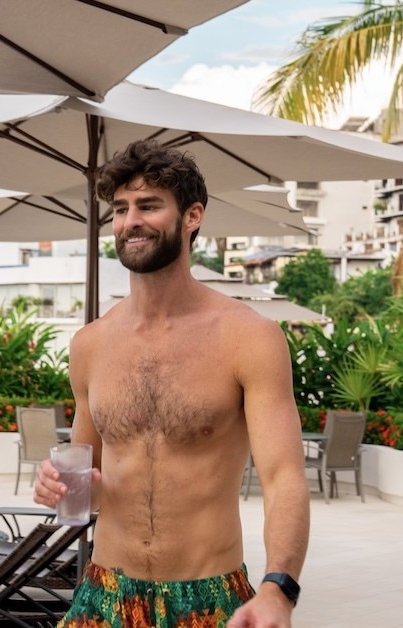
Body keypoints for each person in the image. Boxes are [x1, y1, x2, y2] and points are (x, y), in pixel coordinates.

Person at [34, 139, 310, 627]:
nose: (130, 221)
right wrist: (58, 486)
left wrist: (278, 589)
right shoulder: (90, 345)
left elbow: (283, 477)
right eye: (120, 209)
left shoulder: (250, 338)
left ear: (192, 216)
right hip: (106, 595)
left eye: (148, 205)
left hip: (207, 599)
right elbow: (90, 484)